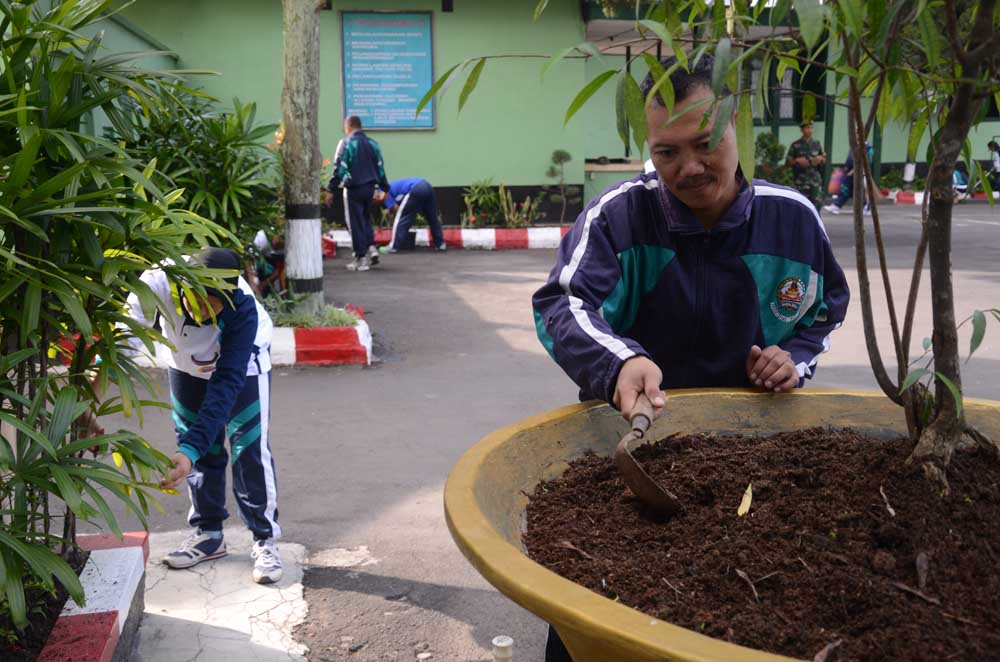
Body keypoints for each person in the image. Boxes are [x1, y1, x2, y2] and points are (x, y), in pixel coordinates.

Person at [531, 54, 849, 661]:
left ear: (738, 126)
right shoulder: (621, 217)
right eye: (666, 152)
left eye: (705, 143)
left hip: (752, 449)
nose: (689, 168)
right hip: (628, 443)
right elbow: (562, 304)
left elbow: (826, 307)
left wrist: (794, 360)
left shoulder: (792, 220)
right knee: (591, 612)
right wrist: (620, 363)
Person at [122, 248, 283, 585]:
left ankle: (264, 538)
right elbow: (124, 341)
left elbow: (225, 385)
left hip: (241, 368)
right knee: (196, 448)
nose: (208, 312)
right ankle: (209, 534)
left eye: (217, 306)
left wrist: (189, 450)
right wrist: (91, 395)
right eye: (202, 302)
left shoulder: (243, 312)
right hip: (184, 363)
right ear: (185, 288)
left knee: (248, 449)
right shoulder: (157, 283)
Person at [323, 115, 391, 272]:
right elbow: (380, 169)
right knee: (365, 219)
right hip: (369, 189)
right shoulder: (373, 144)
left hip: (353, 188)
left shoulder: (346, 143)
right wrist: (384, 188)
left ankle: (361, 259)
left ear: (348, 127)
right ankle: (372, 248)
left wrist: (331, 189)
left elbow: (339, 168)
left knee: (354, 223)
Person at [376, 178, 447, 253]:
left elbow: (397, 211)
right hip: (427, 186)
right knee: (433, 217)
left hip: (415, 188)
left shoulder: (382, 192)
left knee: (400, 218)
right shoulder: (388, 188)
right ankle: (440, 244)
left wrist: (401, 225)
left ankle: (393, 246)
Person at [785, 120, 826, 212]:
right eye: (807, 128)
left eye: (811, 128)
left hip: (815, 181)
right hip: (801, 181)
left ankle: (815, 225)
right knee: (801, 205)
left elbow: (823, 159)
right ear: (802, 130)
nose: (809, 130)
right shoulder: (795, 145)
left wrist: (820, 159)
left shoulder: (817, 143)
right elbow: (787, 163)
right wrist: (797, 161)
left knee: (816, 205)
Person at [823, 143, 874, 215]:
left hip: (858, 173)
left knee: (854, 190)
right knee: (851, 191)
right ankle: (837, 205)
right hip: (850, 172)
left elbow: (864, 161)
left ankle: (866, 207)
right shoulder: (854, 144)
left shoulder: (866, 147)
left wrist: (853, 170)